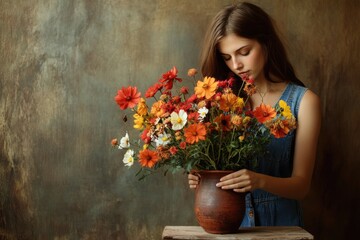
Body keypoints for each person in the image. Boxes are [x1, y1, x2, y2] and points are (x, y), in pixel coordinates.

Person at [187, 2, 321, 227]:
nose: (236, 65)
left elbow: (302, 186)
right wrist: (203, 176)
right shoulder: (221, 100)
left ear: (266, 43)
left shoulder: (304, 102)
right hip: (229, 223)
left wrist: (259, 180)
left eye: (244, 52)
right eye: (227, 57)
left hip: (280, 226)